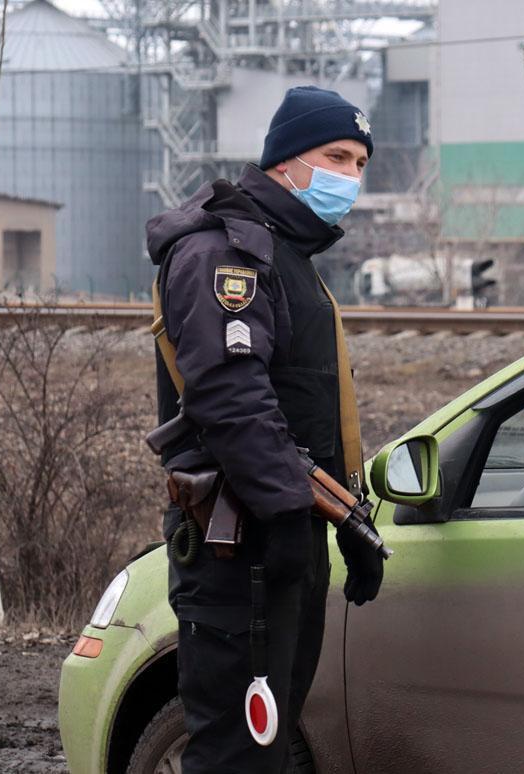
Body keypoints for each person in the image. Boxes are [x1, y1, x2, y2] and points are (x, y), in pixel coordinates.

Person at [146, 85, 384, 773]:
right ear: (284, 160)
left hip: (278, 542)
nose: (350, 177)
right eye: (336, 155)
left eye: (361, 162)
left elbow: (302, 411)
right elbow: (230, 399)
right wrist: (285, 515)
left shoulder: (285, 255)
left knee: (265, 752)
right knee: (235, 758)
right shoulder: (225, 254)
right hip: (240, 553)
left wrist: (349, 518)